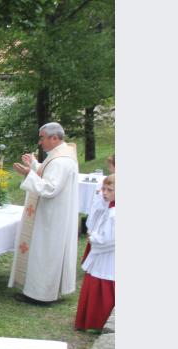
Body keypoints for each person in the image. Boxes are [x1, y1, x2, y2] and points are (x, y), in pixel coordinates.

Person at [9, 122, 79, 304]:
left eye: (42, 137)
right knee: (43, 252)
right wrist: (33, 165)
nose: (40, 142)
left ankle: (41, 295)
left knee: (44, 253)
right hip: (53, 213)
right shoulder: (60, 155)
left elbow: (50, 187)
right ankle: (39, 291)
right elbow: (47, 173)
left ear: (54, 138)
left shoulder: (61, 161)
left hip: (52, 217)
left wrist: (27, 174)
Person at [75, 174, 115, 331]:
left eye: (109, 190)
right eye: (103, 189)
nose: (104, 193)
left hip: (108, 256)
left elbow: (109, 239)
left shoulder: (115, 213)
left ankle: (98, 322)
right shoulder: (110, 207)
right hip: (104, 254)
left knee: (104, 280)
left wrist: (95, 238)